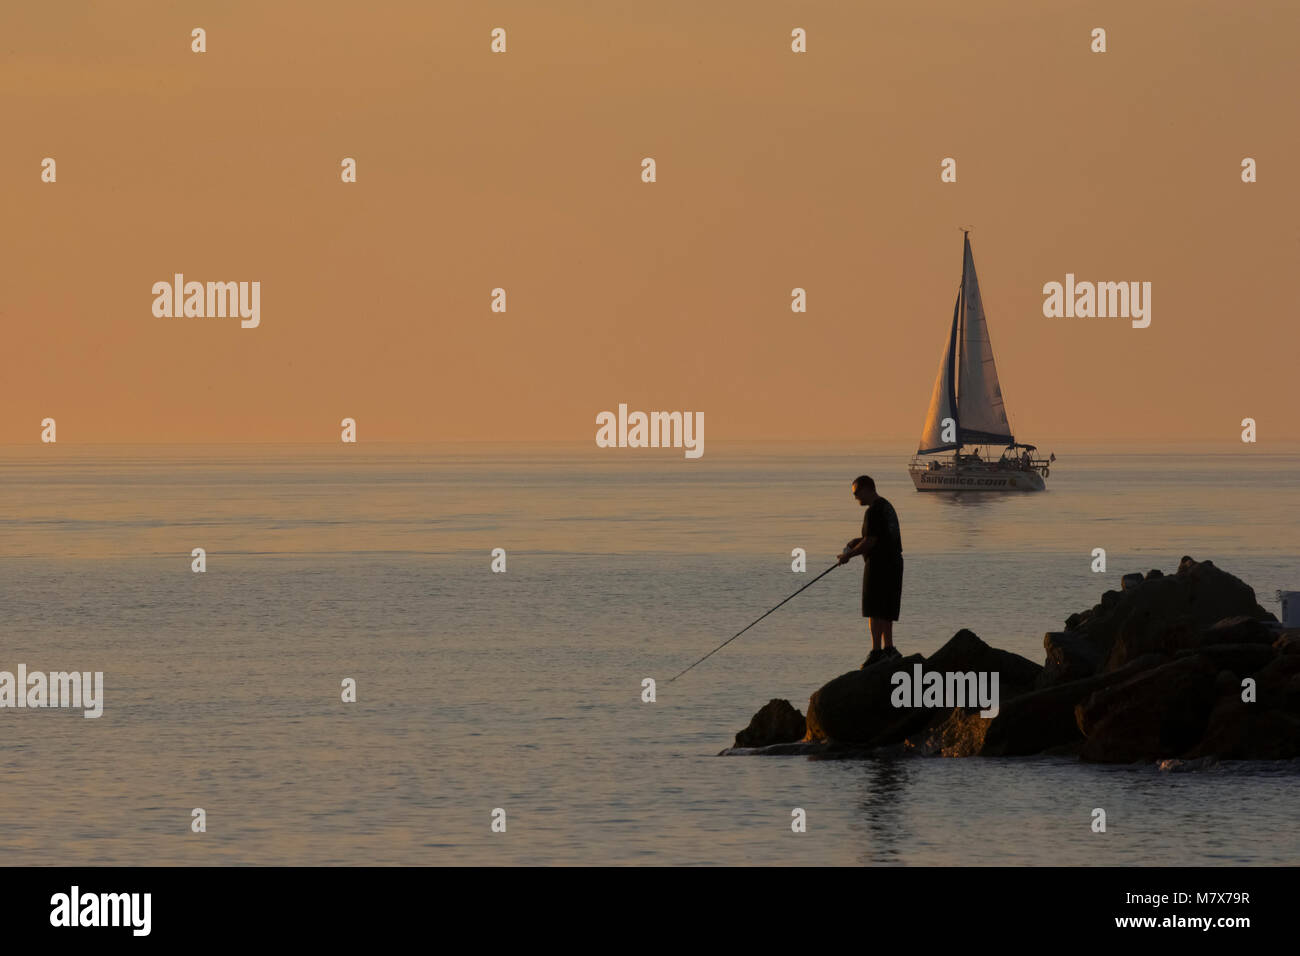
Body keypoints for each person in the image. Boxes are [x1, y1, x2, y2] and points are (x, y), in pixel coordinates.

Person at [837, 475, 904, 667]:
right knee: (886, 608)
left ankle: (876, 651)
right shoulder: (886, 506)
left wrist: (848, 556)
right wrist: (856, 542)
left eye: (856, 493)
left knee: (875, 608)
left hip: (880, 564)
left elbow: (871, 541)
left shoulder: (873, 511)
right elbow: (876, 536)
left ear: (867, 489)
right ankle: (889, 648)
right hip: (894, 562)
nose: (855, 497)